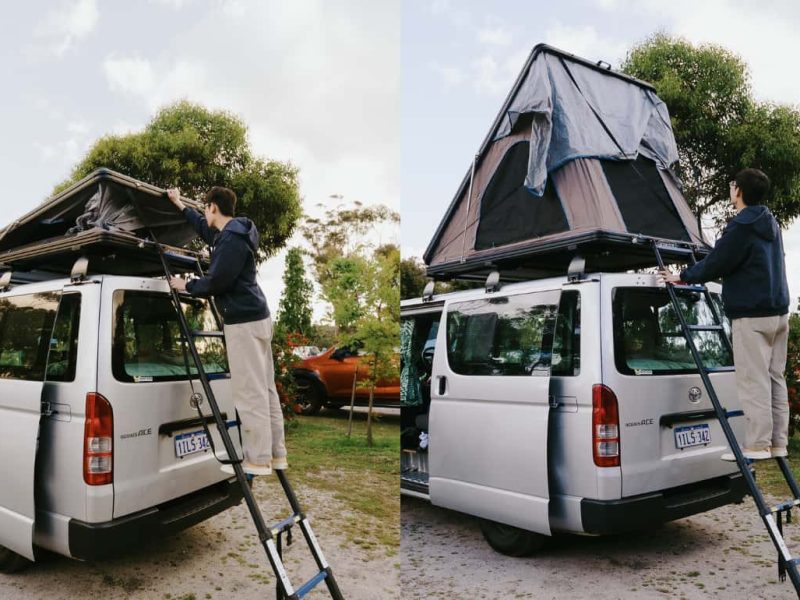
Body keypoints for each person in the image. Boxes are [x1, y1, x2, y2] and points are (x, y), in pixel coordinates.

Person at [659, 168, 790, 461]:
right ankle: (778, 442)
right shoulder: (770, 223)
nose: (731, 189)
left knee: (753, 381)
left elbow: (718, 262)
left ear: (738, 191)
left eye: (733, 184)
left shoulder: (741, 226)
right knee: (774, 378)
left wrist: (682, 276)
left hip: (752, 315)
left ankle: (757, 445)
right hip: (778, 313)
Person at [166, 186, 287, 476]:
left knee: (250, 393)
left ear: (213, 207)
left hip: (244, 323)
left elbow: (217, 281)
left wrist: (186, 285)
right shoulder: (232, 234)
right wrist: (179, 204)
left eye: (204, 208)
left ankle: (257, 459)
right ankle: (276, 454)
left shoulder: (230, 239)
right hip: (256, 317)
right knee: (265, 389)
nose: (204, 213)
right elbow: (203, 228)